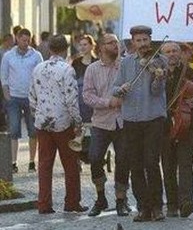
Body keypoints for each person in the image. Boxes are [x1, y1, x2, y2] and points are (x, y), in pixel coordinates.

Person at [112, 25, 168, 222]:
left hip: (153, 118)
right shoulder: (126, 63)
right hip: (132, 119)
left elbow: (156, 92)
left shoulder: (160, 61)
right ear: (133, 43)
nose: (143, 44)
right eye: (139, 41)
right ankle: (143, 207)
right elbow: (114, 88)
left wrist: (158, 78)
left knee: (151, 162)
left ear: (150, 41)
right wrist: (122, 89)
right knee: (135, 164)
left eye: (145, 40)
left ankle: (157, 206)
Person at [29, 34, 86, 214]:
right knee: (70, 164)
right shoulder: (66, 70)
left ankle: (44, 204)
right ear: (66, 49)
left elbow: (31, 96)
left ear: (50, 49)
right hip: (62, 122)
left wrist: (37, 114)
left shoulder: (38, 68)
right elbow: (71, 99)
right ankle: (72, 202)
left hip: (42, 122)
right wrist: (78, 122)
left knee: (45, 165)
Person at [83, 33, 131, 217]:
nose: (115, 46)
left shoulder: (125, 66)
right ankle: (101, 197)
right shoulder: (92, 69)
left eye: (117, 43)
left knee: (123, 160)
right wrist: (107, 102)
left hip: (122, 121)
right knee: (94, 158)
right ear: (101, 47)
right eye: (111, 43)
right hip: (101, 122)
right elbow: (87, 95)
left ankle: (121, 199)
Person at [161, 42, 193, 218]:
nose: (172, 54)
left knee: (186, 165)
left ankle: (186, 201)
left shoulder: (191, 73)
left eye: (175, 51)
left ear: (180, 54)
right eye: (168, 51)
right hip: (165, 126)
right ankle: (172, 203)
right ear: (162, 55)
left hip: (186, 124)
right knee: (168, 166)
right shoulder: (158, 74)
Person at [1, 28, 43, 173]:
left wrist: (39, 96)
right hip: (13, 97)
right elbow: (3, 75)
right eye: (23, 40)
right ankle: (13, 162)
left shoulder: (36, 55)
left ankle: (32, 161)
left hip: (31, 98)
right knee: (13, 130)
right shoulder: (8, 56)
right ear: (17, 39)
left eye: (28, 40)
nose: (26, 43)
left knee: (33, 131)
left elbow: (41, 75)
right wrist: (7, 95)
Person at [72, 35, 98, 125]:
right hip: (79, 100)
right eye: (81, 45)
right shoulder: (76, 62)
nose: (82, 47)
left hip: (93, 100)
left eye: (85, 44)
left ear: (91, 46)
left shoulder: (97, 62)